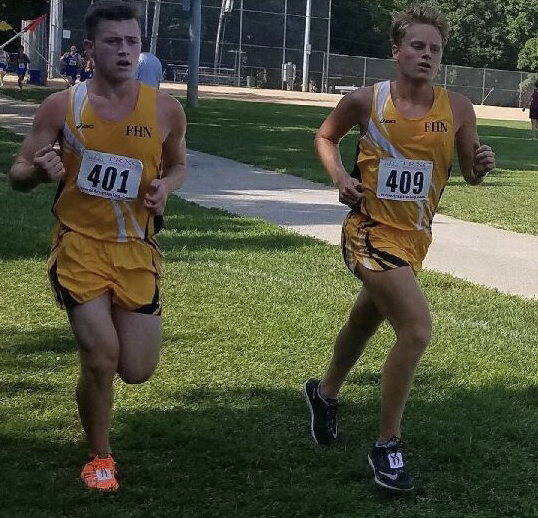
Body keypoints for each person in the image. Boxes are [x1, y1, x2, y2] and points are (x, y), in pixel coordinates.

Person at [303, 4, 495, 492]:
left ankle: (324, 395)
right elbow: (325, 137)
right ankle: (387, 445)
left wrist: (482, 164)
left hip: (415, 238)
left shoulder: (457, 108)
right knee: (416, 329)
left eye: (435, 48)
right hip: (368, 230)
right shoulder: (366, 101)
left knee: (365, 320)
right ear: (396, 51)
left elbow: (471, 174)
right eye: (417, 45)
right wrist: (340, 176)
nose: (427, 55)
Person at [9, 0, 187, 491]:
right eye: (113, 41)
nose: (125, 50)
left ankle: (93, 398)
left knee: (137, 368)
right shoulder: (62, 106)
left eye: (132, 41)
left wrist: (165, 188)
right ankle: (99, 456)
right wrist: (38, 172)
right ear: (90, 49)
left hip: (136, 247)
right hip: (79, 245)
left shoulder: (166, 109)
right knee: (102, 355)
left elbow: (177, 166)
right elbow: (18, 172)